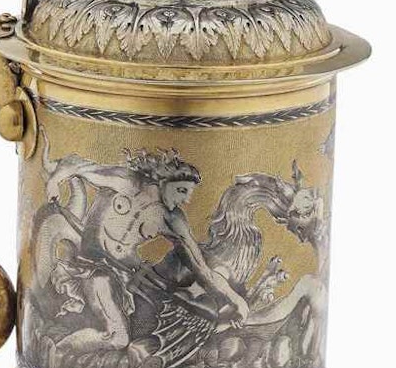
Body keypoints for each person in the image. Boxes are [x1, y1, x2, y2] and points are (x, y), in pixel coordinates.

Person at [46, 147, 250, 355]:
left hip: (124, 275)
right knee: (117, 337)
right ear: (164, 181)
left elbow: (202, 270)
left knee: (129, 333)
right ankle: (56, 352)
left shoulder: (173, 220)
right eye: (181, 190)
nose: (186, 200)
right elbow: (77, 166)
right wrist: (55, 180)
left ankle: (58, 352)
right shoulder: (127, 182)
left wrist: (235, 299)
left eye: (189, 194)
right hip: (92, 268)